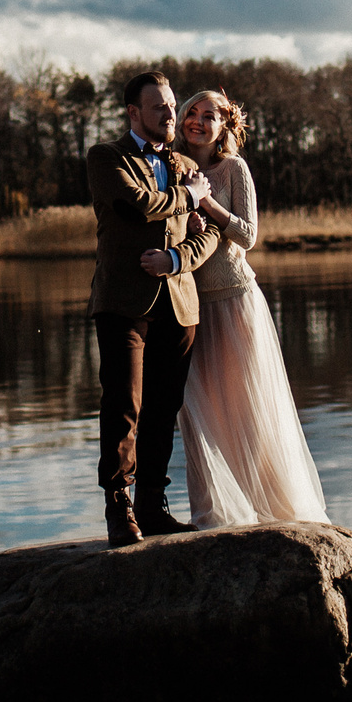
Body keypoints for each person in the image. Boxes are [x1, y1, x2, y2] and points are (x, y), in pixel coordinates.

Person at [172, 88, 328, 526]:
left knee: (248, 408)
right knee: (199, 413)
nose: (197, 122)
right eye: (192, 113)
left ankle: (272, 507)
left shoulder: (233, 168)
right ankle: (214, 512)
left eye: (210, 116)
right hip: (191, 305)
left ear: (224, 127)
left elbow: (248, 235)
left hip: (237, 301)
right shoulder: (172, 166)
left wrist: (205, 200)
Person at [86, 69, 221, 548]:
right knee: (124, 405)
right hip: (124, 304)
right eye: (160, 107)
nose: (171, 113)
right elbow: (139, 205)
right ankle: (118, 508)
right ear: (133, 112)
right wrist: (191, 195)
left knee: (164, 410)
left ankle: (153, 506)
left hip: (180, 304)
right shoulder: (106, 157)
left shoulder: (186, 165)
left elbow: (211, 233)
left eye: (171, 105)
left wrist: (177, 258)